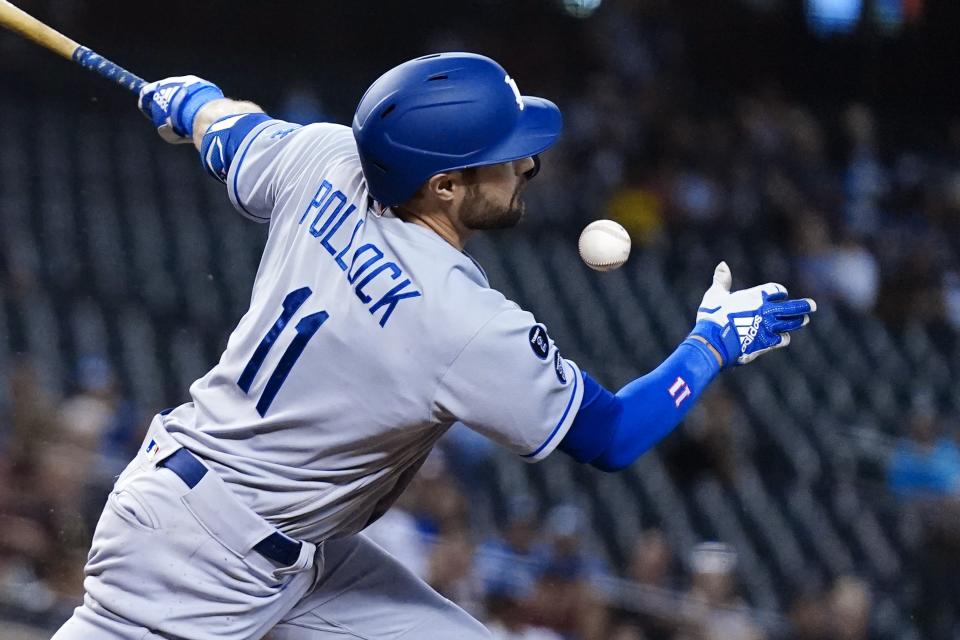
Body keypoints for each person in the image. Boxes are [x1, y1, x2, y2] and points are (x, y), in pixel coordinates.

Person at [52, 52, 815, 639]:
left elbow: (235, 130)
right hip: (197, 560)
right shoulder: (460, 321)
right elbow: (611, 435)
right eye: (506, 151)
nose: (527, 164)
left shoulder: (329, 160)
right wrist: (713, 342)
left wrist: (195, 106)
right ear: (444, 186)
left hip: (277, 537)